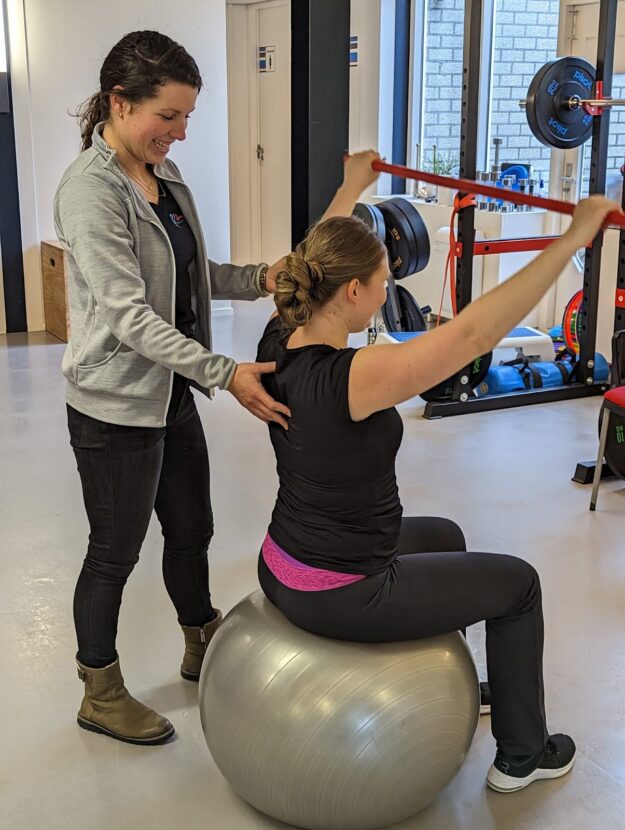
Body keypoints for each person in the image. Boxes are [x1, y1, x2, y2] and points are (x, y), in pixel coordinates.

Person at [256, 185, 621, 792]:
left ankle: (478, 687)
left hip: (283, 561)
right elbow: (473, 337)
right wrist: (574, 239)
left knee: (446, 535)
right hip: (343, 591)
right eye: (382, 280)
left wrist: (352, 183)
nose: (387, 291)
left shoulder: (278, 339)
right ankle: (524, 754)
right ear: (352, 293)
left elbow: (312, 253)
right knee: (519, 585)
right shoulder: (357, 376)